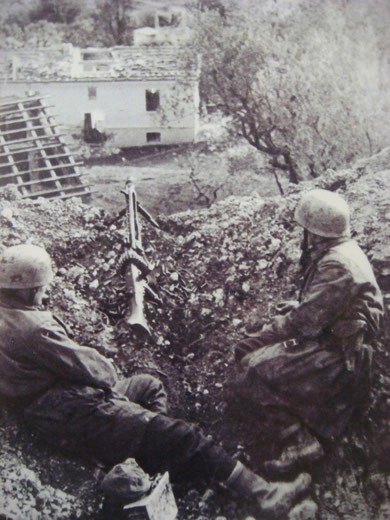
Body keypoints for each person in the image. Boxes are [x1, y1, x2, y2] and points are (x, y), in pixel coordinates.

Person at [0, 243, 311, 518]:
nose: (45, 293)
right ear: (27, 288)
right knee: (186, 435)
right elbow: (99, 373)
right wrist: (103, 368)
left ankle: (157, 454)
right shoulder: (35, 328)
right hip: (72, 411)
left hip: (58, 404)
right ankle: (267, 496)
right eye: (41, 287)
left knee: (149, 385)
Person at [233, 188, 384, 475]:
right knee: (259, 359)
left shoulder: (336, 264)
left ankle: (300, 441)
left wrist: (260, 338)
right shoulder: (342, 252)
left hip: (341, 359)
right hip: (336, 344)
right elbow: (328, 306)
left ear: (315, 234)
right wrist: (300, 306)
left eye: (305, 230)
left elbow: (303, 324)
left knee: (252, 371)